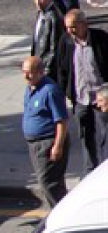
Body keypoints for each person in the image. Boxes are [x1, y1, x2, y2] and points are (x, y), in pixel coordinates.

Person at [57, 9, 108, 175]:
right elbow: (62, 69)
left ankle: (103, 170)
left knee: (105, 136)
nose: (70, 31)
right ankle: (90, 172)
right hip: (80, 97)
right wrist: (66, 91)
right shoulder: (66, 41)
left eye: (73, 27)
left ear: (84, 24)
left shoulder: (100, 39)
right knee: (85, 136)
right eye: (67, 27)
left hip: (101, 97)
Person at [22, 56, 70, 207]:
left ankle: (62, 213)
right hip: (34, 144)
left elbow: (61, 121)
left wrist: (58, 145)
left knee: (49, 183)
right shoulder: (30, 88)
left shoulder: (50, 91)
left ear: (41, 72)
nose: (26, 76)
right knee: (47, 183)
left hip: (48, 143)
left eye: (30, 73)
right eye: (24, 72)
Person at [31, 0, 67, 82]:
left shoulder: (54, 17)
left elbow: (54, 48)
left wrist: (46, 71)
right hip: (37, 65)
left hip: (45, 70)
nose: (38, 2)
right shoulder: (41, 13)